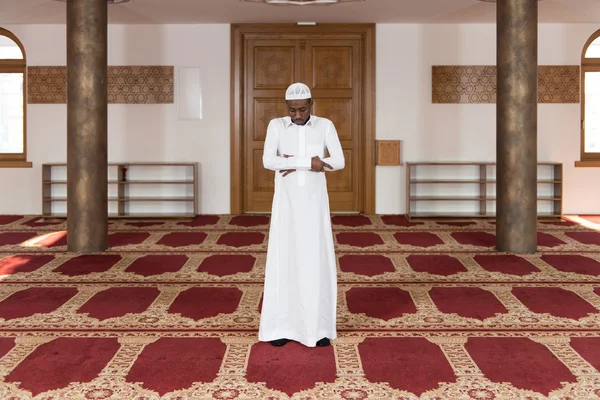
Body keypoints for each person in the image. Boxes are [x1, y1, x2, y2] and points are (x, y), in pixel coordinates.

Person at [258, 82, 345, 348]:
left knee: (313, 261)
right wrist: (309, 162)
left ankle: (317, 328)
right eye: (292, 110)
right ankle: (280, 327)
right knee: (284, 260)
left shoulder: (325, 125)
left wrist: (290, 162)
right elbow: (268, 161)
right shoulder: (276, 125)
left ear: (311, 104)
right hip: (286, 204)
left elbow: (338, 161)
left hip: (314, 204)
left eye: (302, 109)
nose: (297, 115)